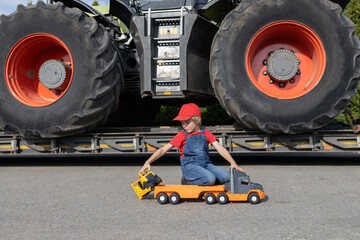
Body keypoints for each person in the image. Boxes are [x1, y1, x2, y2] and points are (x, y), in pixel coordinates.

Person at [138, 103, 245, 186]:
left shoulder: (206, 133)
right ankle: (187, 181)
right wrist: (147, 162)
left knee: (227, 176)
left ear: (197, 120)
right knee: (210, 179)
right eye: (182, 123)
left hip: (206, 165)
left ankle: (206, 181)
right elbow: (162, 150)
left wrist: (233, 163)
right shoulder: (182, 135)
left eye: (187, 122)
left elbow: (220, 149)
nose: (184, 125)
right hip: (190, 167)